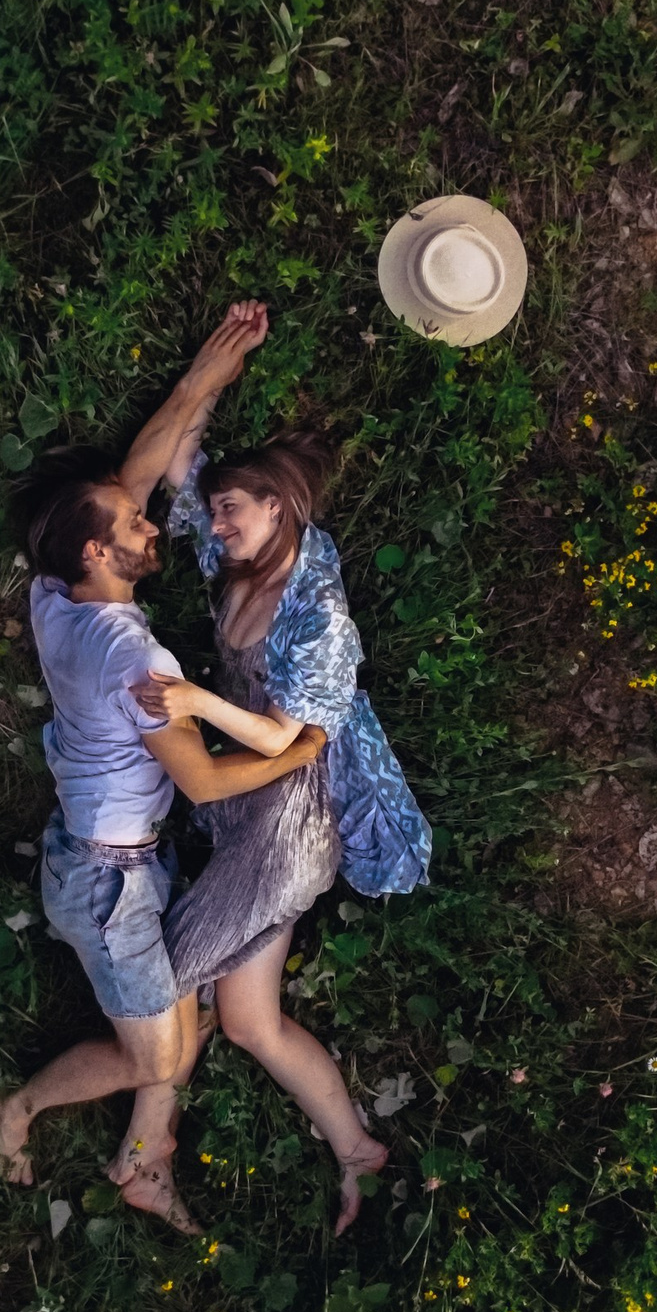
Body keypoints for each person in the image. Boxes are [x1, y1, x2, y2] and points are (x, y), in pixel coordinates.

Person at [0, 303, 324, 1231]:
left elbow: (130, 472)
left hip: (110, 859)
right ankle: (18, 1106)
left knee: (189, 1018)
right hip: (106, 884)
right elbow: (205, 781)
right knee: (159, 1058)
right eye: (135, 523)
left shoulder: (58, 591)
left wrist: (204, 376)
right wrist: (299, 749)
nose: (151, 523)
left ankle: (141, 1163)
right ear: (100, 552)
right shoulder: (136, 660)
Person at [134, 424, 432, 1232]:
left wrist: (195, 702)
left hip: (290, 831)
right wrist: (206, 382)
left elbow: (281, 737)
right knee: (249, 1022)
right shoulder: (239, 560)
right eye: (216, 511)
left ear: (277, 506)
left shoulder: (317, 614)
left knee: (170, 971)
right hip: (247, 817)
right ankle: (357, 1150)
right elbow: (183, 463)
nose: (217, 523)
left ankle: (142, 1155)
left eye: (232, 508)